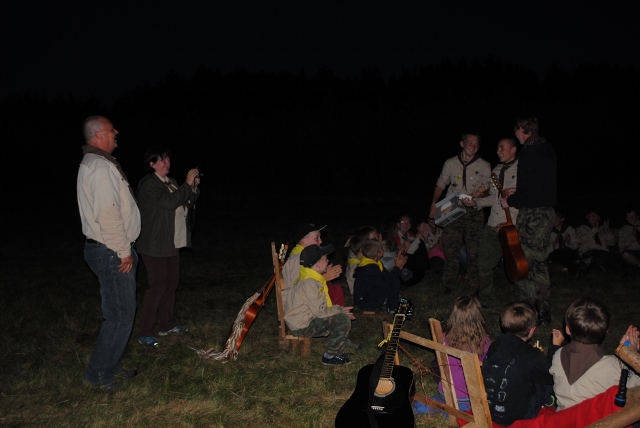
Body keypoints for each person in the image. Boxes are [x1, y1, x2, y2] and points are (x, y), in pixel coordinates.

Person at [77, 116, 140, 392]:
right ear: (100, 134)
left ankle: (111, 364)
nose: (117, 131)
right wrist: (123, 250)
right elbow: (108, 213)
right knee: (120, 315)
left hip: (108, 248)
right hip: (111, 249)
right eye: (112, 129)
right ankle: (97, 374)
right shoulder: (100, 166)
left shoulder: (96, 163)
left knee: (121, 312)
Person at [135, 148, 200, 348]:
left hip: (173, 242)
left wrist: (193, 188)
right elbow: (170, 202)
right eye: (162, 161)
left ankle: (167, 325)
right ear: (152, 164)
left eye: (168, 160)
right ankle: (145, 332)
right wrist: (187, 184)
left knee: (171, 284)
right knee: (157, 287)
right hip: (155, 244)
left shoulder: (170, 182)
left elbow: (185, 201)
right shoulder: (149, 184)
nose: (167, 163)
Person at [501, 116, 557, 325]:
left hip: (532, 216)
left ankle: (526, 311)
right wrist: (519, 192)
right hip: (547, 213)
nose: (516, 135)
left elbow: (528, 195)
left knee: (522, 262)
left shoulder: (528, 153)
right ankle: (543, 309)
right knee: (539, 262)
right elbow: (538, 185)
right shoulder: (547, 148)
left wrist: (510, 200)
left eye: (516, 130)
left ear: (522, 129)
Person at [549, 297, 640, 411]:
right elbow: (635, 389)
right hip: (595, 419)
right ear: (606, 331)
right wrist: (631, 356)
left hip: (563, 417)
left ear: (568, 329)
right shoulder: (612, 366)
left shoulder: (557, 356)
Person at [429, 132, 491, 295]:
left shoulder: (484, 165)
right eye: (470, 142)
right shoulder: (450, 163)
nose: (473, 146)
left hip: (474, 211)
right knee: (450, 248)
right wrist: (434, 202)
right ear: (462, 144)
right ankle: (449, 284)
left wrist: (479, 195)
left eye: (476, 144)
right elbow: (441, 183)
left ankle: (475, 286)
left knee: (473, 250)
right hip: (452, 208)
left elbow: (488, 188)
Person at [414, 295, 491, 415]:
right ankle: (459, 409)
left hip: (446, 392)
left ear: (453, 317)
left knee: (436, 365)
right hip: (472, 398)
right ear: (479, 317)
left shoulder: (444, 338)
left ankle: (444, 406)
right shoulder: (485, 342)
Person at [482, 301, 555, 426]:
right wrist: (552, 350)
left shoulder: (496, 345)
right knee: (546, 383)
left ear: (502, 324)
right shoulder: (533, 355)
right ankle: (548, 402)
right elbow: (549, 377)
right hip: (518, 416)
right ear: (532, 329)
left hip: (490, 411)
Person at [284, 244, 356, 365]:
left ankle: (337, 351)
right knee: (342, 320)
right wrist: (340, 310)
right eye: (325, 259)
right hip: (302, 326)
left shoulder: (310, 278)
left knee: (339, 315)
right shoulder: (310, 283)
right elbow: (320, 311)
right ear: (317, 264)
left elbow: (320, 308)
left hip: (303, 320)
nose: (328, 261)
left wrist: (339, 309)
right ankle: (331, 356)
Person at [474, 138, 519, 307]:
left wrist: (515, 194)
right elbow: (494, 198)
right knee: (483, 264)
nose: (498, 151)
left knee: (518, 265)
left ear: (513, 149)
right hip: (493, 225)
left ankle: (522, 301)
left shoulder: (524, 169)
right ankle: (486, 298)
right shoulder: (497, 170)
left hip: (512, 227)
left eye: (502, 147)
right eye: (497, 148)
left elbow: (530, 196)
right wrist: (475, 203)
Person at [282, 222, 344, 310]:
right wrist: (324, 277)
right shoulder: (298, 259)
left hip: (308, 294)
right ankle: (337, 315)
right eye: (316, 238)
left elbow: (307, 275)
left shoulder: (307, 255)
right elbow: (298, 288)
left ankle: (337, 314)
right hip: (298, 306)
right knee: (335, 290)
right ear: (304, 240)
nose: (321, 241)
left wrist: (323, 270)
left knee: (333, 288)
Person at [353, 239, 406, 313]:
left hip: (368, 295)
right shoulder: (370, 268)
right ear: (379, 253)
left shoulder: (373, 262)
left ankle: (392, 302)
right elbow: (387, 282)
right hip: (365, 302)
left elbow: (387, 276)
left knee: (393, 278)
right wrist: (397, 267)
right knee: (392, 281)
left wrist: (398, 265)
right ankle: (392, 308)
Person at [575, 208, 625, 277]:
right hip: (589, 253)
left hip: (602, 253)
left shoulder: (602, 229)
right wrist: (594, 230)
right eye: (591, 215)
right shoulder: (581, 228)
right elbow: (581, 240)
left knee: (615, 261)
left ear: (599, 218)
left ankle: (619, 272)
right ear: (587, 217)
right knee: (597, 258)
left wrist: (607, 231)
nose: (593, 217)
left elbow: (612, 243)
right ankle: (584, 266)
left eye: (595, 215)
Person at [384, 215, 429, 286]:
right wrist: (419, 234)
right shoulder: (394, 236)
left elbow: (424, 252)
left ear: (410, 226)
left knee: (420, 243)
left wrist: (425, 237)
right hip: (400, 264)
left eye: (408, 223)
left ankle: (425, 271)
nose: (405, 224)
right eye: (403, 222)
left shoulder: (411, 236)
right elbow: (408, 253)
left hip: (411, 264)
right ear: (398, 224)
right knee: (418, 243)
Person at [344, 225, 380, 295]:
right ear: (364, 242)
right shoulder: (356, 264)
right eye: (374, 239)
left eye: (377, 238)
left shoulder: (368, 254)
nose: (378, 241)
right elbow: (355, 290)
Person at [548, 208, 581, 275]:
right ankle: (575, 268)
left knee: (566, 251)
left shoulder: (569, 229)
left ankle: (574, 268)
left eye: (556, 218)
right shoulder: (549, 232)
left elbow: (575, 246)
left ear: (562, 219)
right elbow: (547, 249)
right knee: (559, 254)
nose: (553, 220)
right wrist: (555, 242)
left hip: (568, 252)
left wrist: (568, 242)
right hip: (556, 253)